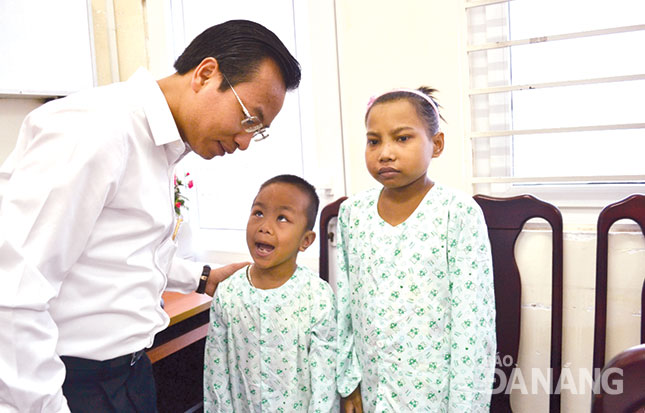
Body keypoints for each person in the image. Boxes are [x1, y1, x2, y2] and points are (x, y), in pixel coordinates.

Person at [0, 20, 300, 413]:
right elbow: (14, 290)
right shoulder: (94, 129)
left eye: (257, 131)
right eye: (249, 119)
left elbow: (123, 250)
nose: (245, 142)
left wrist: (202, 277)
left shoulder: (162, 145)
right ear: (206, 74)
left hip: (128, 375)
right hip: (72, 383)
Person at [335, 87, 496, 412]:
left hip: (436, 396)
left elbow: (473, 322)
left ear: (436, 144)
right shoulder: (353, 213)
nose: (385, 153)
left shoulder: (457, 212)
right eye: (374, 141)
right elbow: (345, 305)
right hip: (372, 391)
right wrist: (348, 382)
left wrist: (465, 406)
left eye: (402, 138)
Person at [203, 174, 339, 413]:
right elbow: (216, 373)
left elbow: (325, 382)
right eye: (258, 213)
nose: (264, 227)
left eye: (282, 218)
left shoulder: (317, 296)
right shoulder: (229, 293)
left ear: (305, 240)